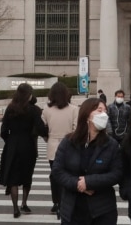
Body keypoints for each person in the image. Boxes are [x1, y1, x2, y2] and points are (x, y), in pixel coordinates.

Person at [50, 98, 125, 225]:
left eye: (105, 111)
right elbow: (57, 171)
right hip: (72, 209)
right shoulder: (68, 142)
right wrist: (77, 184)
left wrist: (89, 182)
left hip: (102, 210)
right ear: (86, 115)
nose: (104, 114)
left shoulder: (111, 144)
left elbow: (117, 173)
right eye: (99, 110)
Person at [0, 82, 49, 217]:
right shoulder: (33, 109)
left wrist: (9, 140)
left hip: (12, 144)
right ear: (29, 94)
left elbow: (3, 130)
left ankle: (15, 208)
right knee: (27, 175)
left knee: (13, 178)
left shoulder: (10, 108)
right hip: (28, 144)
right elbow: (40, 127)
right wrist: (46, 134)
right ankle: (24, 203)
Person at [43, 82, 79, 215]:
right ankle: (65, 202)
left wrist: (48, 138)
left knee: (54, 176)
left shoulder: (46, 109)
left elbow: (42, 127)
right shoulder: (74, 109)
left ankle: (56, 202)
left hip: (52, 146)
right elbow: (76, 129)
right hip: (69, 146)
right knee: (67, 175)